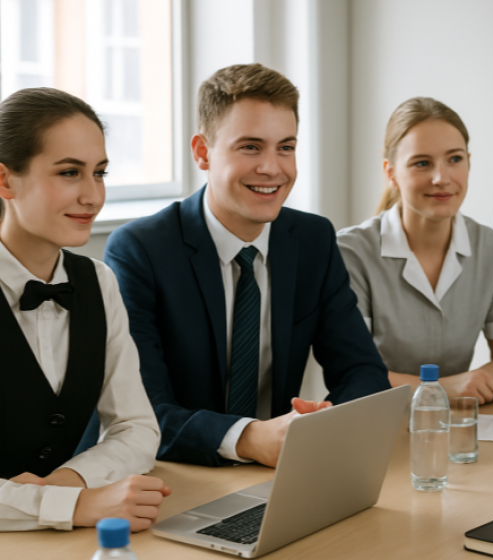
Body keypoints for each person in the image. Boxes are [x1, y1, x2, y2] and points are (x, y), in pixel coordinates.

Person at [104, 64, 390, 468]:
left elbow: (363, 371)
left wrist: (325, 425)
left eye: (286, 147)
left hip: (276, 472)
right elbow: (143, 413)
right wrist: (250, 437)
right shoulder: (141, 250)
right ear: (203, 152)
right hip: (176, 472)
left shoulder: (312, 240)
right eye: (251, 147)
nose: (273, 168)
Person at [0, 88, 169, 532]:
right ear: (4, 181)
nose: (94, 196)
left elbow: (137, 427)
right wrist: (73, 507)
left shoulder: (99, 281)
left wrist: (68, 482)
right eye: (70, 173)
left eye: (100, 173)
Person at [337, 97, 493, 404]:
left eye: (454, 159)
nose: (442, 178)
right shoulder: (350, 252)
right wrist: (443, 389)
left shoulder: (491, 248)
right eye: (422, 163)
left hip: (463, 422)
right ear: (391, 173)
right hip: (373, 420)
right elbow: (351, 370)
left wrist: (481, 381)